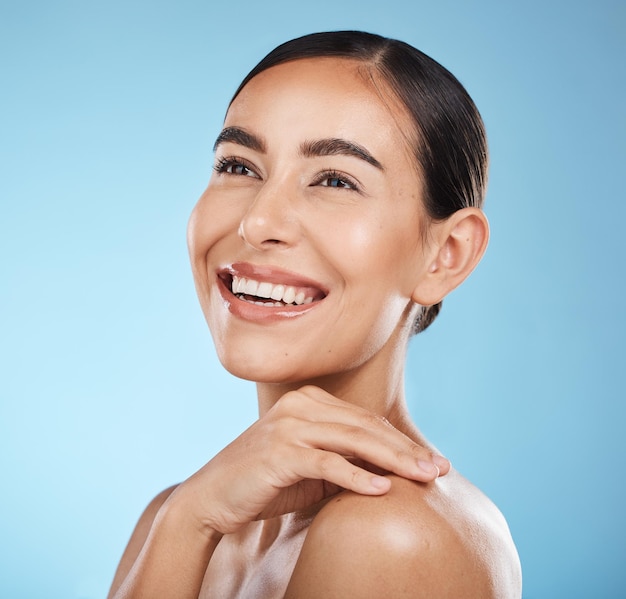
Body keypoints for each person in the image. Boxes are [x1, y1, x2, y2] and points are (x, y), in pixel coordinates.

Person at [108, 31, 522, 598]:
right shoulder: (184, 513)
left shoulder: (388, 534)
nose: (258, 222)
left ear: (445, 257)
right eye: (240, 166)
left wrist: (187, 522)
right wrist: (187, 521)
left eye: (334, 180)